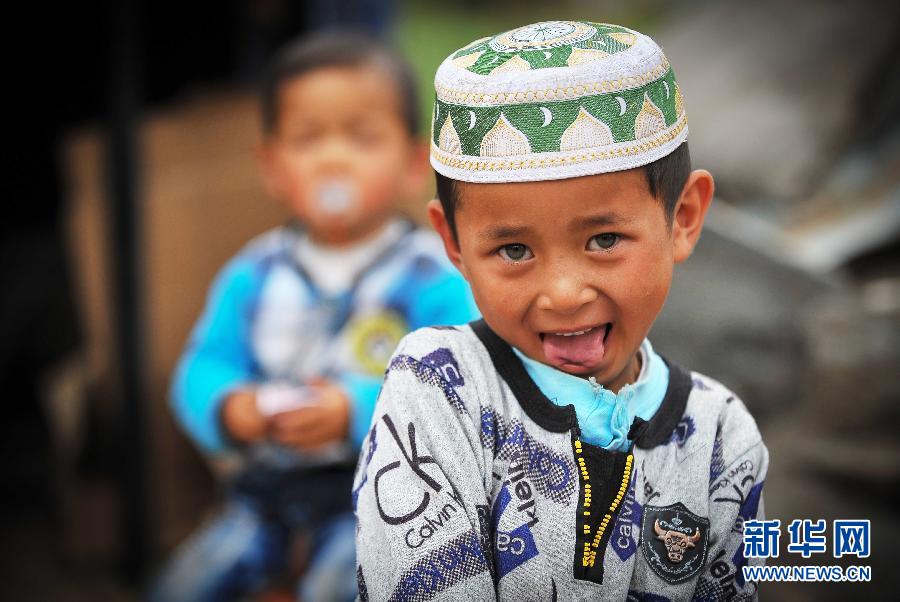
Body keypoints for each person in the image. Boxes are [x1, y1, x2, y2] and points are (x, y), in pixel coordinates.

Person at [353, 21, 768, 600]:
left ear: (683, 216)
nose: (565, 293)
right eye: (514, 250)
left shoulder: (722, 439)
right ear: (454, 244)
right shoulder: (437, 386)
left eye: (604, 240)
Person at [150, 30, 478, 602]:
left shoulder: (435, 278)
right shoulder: (252, 275)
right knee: (187, 584)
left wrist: (356, 411)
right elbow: (203, 366)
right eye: (307, 139)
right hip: (261, 494)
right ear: (273, 166)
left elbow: (465, 385)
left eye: (361, 136)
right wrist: (230, 407)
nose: (332, 157)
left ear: (410, 162)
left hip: (386, 504)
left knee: (338, 586)